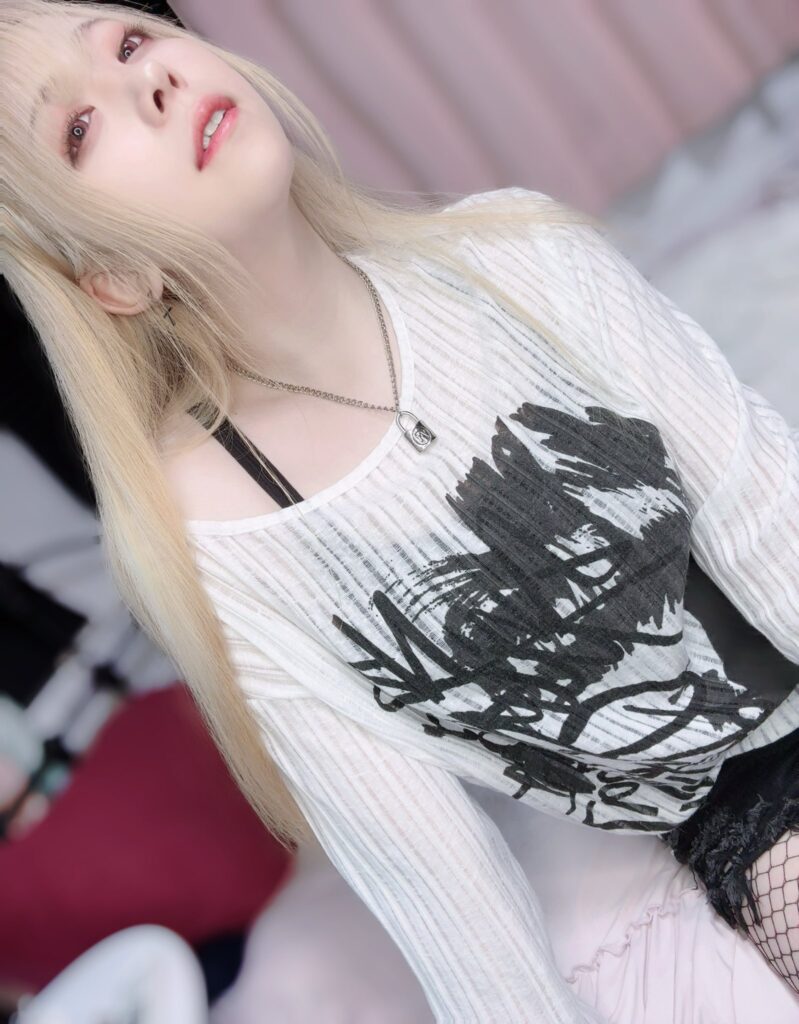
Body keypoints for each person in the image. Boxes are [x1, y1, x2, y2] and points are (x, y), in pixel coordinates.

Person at [1, 2, 797, 1020]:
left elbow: (763, 508)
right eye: (77, 128)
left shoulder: (522, 257)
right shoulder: (220, 545)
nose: (144, 81)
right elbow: (435, 881)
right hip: (739, 798)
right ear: (109, 278)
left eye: (128, 41)